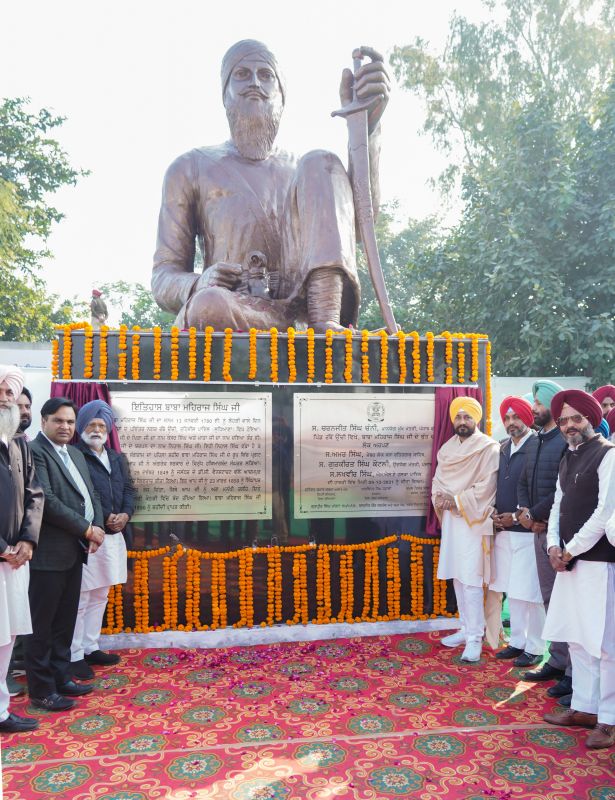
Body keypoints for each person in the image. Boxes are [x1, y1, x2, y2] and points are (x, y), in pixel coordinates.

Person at [152, 39, 389, 333]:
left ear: (282, 95)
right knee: (208, 303)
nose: (254, 83)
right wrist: (199, 282)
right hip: (237, 310)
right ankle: (305, 326)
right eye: (241, 74)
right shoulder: (189, 167)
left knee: (321, 160)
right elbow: (163, 275)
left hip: (298, 312)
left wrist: (368, 128)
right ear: (224, 94)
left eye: (266, 75)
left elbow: (356, 228)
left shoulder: (309, 173)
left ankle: (324, 319)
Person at [542, 389, 615, 750]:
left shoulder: (608, 455)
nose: (570, 425)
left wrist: (569, 550)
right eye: (564, 420)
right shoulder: (567, 457)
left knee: (604, 645)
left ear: (591, 418)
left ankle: (609, 719)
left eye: (576, 418)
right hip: (569, 561)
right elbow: (557, 504)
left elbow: (604, 514)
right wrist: (553, 545)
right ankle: (584, 708)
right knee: (577, 638)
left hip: (598, 562)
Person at [26, 398, 105, 712]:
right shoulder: (35, 451)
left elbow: (92, 493)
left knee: (64, 622)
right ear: (44, 420)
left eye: (70, 422)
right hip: (48, 554)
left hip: (75, 552)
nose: (66, 427)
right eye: (59, 420)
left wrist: (96, 525)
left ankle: (62, 677)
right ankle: (42, 690)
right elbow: (47, 500)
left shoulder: (74, 453)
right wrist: (87, 530)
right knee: (41, 626)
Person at [432, 396, 500, 662]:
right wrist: (440, 496)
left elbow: (487, 488)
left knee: (471, 579)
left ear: (477, 419)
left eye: (467, 417)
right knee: (457, 577)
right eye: (458, 417)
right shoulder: (447, 449)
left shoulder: (488, 449)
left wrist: (456, 500)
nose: (462, 422)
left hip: (473, 520)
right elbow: (438, 480)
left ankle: (475, 637)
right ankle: (465, 628)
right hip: (451, 520)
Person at [516, 380, 571, 699]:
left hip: (558, 532)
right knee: (550, 598)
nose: (533, 408)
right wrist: (526, 511)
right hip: (538, 529)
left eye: (538, 402)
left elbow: (561, 490)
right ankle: (558, 660)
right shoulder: (536, 439)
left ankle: (571, 671)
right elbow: (525, 480)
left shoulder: (564, 441)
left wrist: (535, 515)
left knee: (566, 603)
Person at [71, 400, 133, 680]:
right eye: (92, 425)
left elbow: (129, 490)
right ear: (82, 427)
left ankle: (90, 647)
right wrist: (102, 518)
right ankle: (73, 655)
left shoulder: (117, 458)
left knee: (101, 594)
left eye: (101, 425)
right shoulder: (74, 456)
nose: (97, 429)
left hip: (114, 535)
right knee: (81, 597)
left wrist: (125, 515)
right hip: (88, 535)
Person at [0, 367, 44, 733]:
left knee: (7, 636)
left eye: (8, 392)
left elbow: (35, 495)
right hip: (3, 555)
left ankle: (1, 711)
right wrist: (3, 547)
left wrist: (28, 540)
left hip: (17, 559)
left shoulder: (18, 445)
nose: (4, 397)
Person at [490, 397, 545, 668]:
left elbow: (543, 490)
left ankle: (535, 647)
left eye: (517, 417)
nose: (512, 423)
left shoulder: (538, 446)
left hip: (526, 530)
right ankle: (518, 642)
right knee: (514, 590)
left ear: (528, 418)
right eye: (507, 418)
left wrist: (517, 516)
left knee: (531, 592)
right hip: (505, 531)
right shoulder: (502, 448)